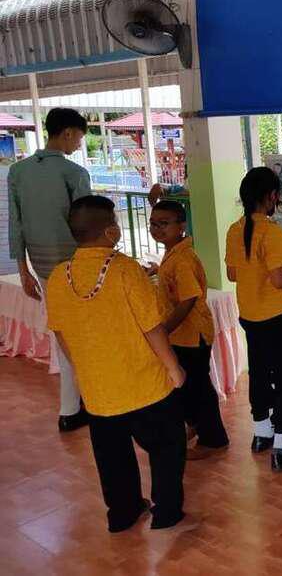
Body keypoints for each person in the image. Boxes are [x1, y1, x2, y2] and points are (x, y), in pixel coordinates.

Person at [44, 195, 194, 533]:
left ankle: (123, 513)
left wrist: (81, 368)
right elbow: (151, 327)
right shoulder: (125, 269)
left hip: (98, 388)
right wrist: (173, 367)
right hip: (144, 384)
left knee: (111, 455)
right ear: (111, 231)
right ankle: (167, 512)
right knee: (167, 445)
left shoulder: (58, 277)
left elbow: (60, 333)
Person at [8, 107, 92, 431]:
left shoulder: (18, 172)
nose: (79, 144)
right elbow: (87, 226)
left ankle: (71, 407)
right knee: (81, 335)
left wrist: (23, 270)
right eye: (79, 137)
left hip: (41, 266)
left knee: (62, 333)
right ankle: (85, 404)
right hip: (74, 265)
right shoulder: (74, 173)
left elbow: (16, 224)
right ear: (68, 132)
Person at [225, 167, 282, 471]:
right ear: (272, 196)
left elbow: (232, 274)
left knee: (259, 372)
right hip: (276, 316)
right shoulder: (273, 233)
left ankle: (261, 433)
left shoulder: (235, 229)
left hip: (250, 314)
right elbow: (279, 280)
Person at [149, 200, 229, 460]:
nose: (157, 229)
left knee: (198, 387)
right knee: (187, 386)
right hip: (181, 335)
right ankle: (194, 425)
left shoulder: (182, 259)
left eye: (164, 223)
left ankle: (213, 439)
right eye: (153, 224)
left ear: (181, 226)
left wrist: (164, 330)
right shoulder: (174, 254)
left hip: (192, 335)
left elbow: (189, 299)